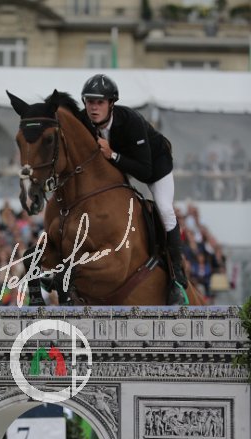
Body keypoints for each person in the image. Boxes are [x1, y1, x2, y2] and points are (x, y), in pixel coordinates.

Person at [80, 74, 188, 303]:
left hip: (154, 164)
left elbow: (145, 171)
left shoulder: (131, 120)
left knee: (165, 209)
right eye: (90, 102)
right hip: (119, 166)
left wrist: (113, 155)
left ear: (111, 103)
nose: (94, 107)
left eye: (100, 102)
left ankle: (177, 275)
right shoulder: (83, 121)